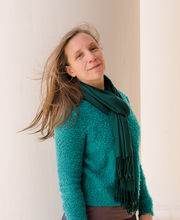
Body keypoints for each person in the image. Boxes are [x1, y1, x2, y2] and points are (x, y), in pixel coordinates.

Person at [19, 23, 154, 220]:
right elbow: (69, 183)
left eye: (93, 48)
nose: (91, 57)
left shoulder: (121, 101)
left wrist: (146, 209)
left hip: (128, 215)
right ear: (70, 70)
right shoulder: (71, 113)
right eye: (79, 55)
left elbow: (132, 159)